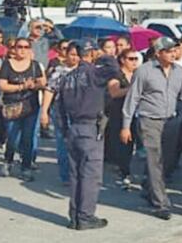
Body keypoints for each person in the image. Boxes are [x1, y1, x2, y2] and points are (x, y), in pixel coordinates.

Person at [120, 36, 182, 220]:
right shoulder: (144, 71)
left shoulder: (180, 71)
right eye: (168, 51)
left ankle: (148, 186)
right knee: (153, 159)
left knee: (167, 161)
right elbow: (132, 98)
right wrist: (126, 126)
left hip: (172, 121)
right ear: (158, 53)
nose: (173, 54)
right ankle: (161, 203)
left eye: (174, 50)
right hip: (149, 120)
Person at [57, 40, 119, 230]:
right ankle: (85, 216)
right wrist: (103, 55)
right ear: (91, 53)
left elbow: (59, 109)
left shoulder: (67, 78)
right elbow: (114, 68)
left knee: (76, 175)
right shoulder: (93, 73)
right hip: (89, 128)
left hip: (73, 128)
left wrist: (65, 132)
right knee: (91, 175)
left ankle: (75, 216)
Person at [0, 37, 46, 181]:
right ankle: (8, 160)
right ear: (14, 49)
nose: (22, 50)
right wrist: (21, 87)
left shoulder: (34, 65)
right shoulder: (7, 65)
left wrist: (35, 85)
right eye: (19, 47)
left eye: (26, 47)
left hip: (31, 106)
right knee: (12, 137)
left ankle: (26, 167)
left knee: (28, 137)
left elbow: (42, 81)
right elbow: (2, 85)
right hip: (12, 106)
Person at [41, 42, 81, 183]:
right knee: (63, 144)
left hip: (81, 114)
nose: (75, 58)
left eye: (78, 55)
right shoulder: (59, 71)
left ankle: (78, 173)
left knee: (79, 145)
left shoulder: (87, 72)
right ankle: (66, 175)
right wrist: (44, 111)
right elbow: (49, 90)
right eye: (72, 55)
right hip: (61, 112)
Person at [105, 50, 141, 185]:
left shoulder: (138, 74)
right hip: (118, 111)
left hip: (136, 112)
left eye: (136, 59)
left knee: (133, 143)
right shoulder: (116, 75)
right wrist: (133, 90)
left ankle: (127, 168)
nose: (134, 62)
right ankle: (121, 169)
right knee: (122, 142)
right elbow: (114, 92)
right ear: (122, 60)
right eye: (131, 59)